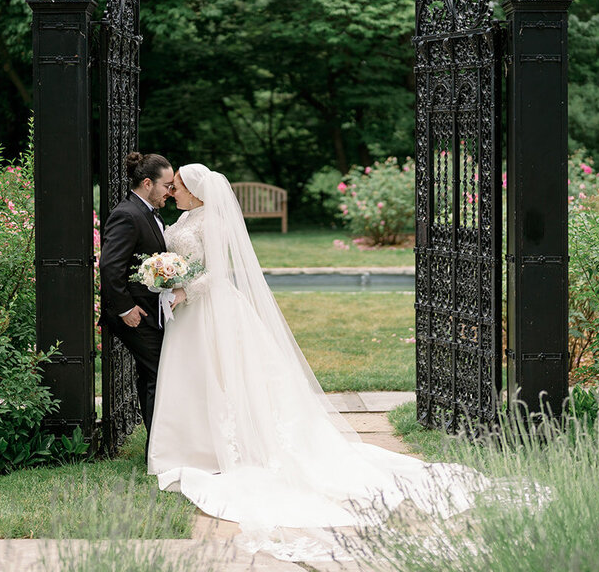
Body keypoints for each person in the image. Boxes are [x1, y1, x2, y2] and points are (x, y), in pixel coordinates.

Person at [146, 163, 494, 558]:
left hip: (208, 307)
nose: (172, 190)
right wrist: (163, 277)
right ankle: (191, 445)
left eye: (177, 186)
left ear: (195, 189)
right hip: (186, 315)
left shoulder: (212, 220)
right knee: (194, 379)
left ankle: (223, 448)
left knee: (226, 376)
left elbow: (217, 272)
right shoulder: (186, 215)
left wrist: (183, 290)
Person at [97, 151, 176, 445]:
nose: (171, 192)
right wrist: (125, 308)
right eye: (167, 185)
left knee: (152, 374)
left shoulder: (150, 213)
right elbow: (109, 266)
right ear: (147, 183)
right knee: (160, 373)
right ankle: (160, 447)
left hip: (148, 309)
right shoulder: (127, 214)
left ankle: (159, 444)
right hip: (133, 313)